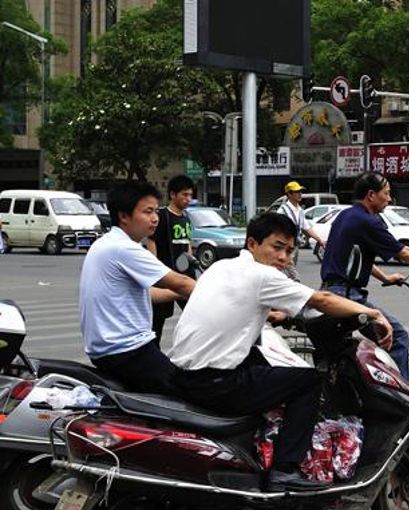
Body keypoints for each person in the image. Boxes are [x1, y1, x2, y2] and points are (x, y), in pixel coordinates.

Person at [168, 212, 391, 492]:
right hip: (215, 383)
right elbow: (321, 299)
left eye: (288, 251)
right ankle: (285, 470)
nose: (283, 257)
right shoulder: (261, 275)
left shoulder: (221, 267)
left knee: (262, 358)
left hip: (182, 374)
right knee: (308, 382)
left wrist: (276, 314)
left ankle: (259, 444)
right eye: (276, 247)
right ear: (252, 243)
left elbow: (240, 303)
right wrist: (371, 313)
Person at [320, 172, 409, 380]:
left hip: (332, 290)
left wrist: (385, 278)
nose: (389, 199)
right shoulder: (368, 221)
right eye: (387, 193)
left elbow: (357, 258)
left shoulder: (346, 216)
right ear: (371, 195)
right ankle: (402, 400)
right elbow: (404, 252)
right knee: (398, 337)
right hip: (347, 296)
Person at [79, 182, 195, 394]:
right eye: (148, 211)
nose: (155, 218)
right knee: (189, 393)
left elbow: (148, 294)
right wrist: (227, 297)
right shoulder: (124, 248)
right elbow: (182, 282)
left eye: (156, 211)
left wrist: (179, 293)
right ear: (124, 216)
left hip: (110, 350)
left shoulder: (108, 243)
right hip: (127, 351)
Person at [146, 175, 195, 348]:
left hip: (184, 276)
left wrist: (191, 262)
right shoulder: (162, 216)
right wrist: (155, 270)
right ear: (173, 195)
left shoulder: (186, 217)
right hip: (165, 277)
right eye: (184, 195)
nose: (188, 199)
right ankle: (153, 352)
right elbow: (151, 241)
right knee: (158, 321)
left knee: (196, 313)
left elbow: (186, 242)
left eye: (190, 195)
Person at [278, 181, 326, 281]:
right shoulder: (283, 211)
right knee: (293, 275)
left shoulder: (300, 210)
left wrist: (319, 240)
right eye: (297, 192)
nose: (300, 194)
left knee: (287, 273)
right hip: (285, 246)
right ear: (289, 194)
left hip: (295, 245)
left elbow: (306, 227)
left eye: (300, 191)